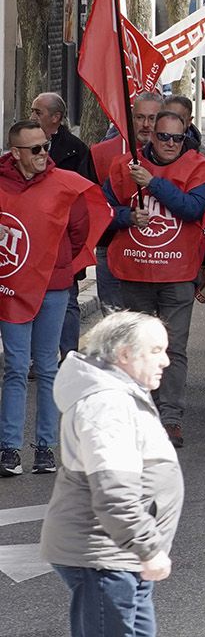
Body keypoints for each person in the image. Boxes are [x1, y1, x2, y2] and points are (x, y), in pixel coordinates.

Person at [42, 312, 180, 637]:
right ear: (124, 355)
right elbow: (113, 490)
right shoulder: (108, 405)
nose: (166, 361)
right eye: (156, 350)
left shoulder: (117, 394)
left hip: (120, 556)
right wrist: (147, 547)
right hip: (106, 558)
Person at [102, 111, 205, 450]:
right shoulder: (122, 167)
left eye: (178, 137)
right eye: (163, 137)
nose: (171, 144)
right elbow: (101, 210)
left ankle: (170, 418)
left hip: (178, 274)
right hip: (134, 272)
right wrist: (126, 216)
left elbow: (193, 209)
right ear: (150, 137)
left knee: (172, 348)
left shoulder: (198, 167)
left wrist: (153, 183)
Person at [0, 121, 103, 477]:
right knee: (15, 368)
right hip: (13, 290)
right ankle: (9, 449)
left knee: (46, 368)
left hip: (53, 289)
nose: (45, 154)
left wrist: (54, 265)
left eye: (45, 146)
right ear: (15, 153)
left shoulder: (64, 186)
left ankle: (45, 447)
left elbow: (79, 234)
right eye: (36, 149)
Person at [32, 93, 94, 358]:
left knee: (67, 301)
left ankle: (69, 356)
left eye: (38, 111)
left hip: (62, 241)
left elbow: (84, 198)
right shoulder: (25, 144)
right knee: (32, 299)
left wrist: (72, 247)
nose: (32, 115)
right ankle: (38, 357)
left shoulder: (75, 150)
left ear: (55, 118)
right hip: (32, 241)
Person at [90, 94, 163, 318]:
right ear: (130, 119)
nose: (146, 124)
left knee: (153, 329)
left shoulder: (179, 154)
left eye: (152, 118)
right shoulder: (101, 153)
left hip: (159, 253)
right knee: (116, 325)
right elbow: (95, 206)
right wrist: (128, 217)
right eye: (140, 117)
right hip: (111, 249)